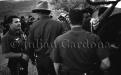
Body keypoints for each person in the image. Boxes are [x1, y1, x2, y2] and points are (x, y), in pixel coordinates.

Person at [52, 9, 111, 75]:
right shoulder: (94, 38)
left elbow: (56, 64)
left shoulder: (59, 40)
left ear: (69, 21)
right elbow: (106, 64)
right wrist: (97, 71)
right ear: (82, 20)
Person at [28, 1, 65, 75]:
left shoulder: (33, 26)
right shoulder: (59, 24)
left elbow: (30, 45)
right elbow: (63, 43)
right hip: (56, 59)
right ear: (48, 12)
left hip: (40, 59)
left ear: (38, 12)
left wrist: (32, 58)